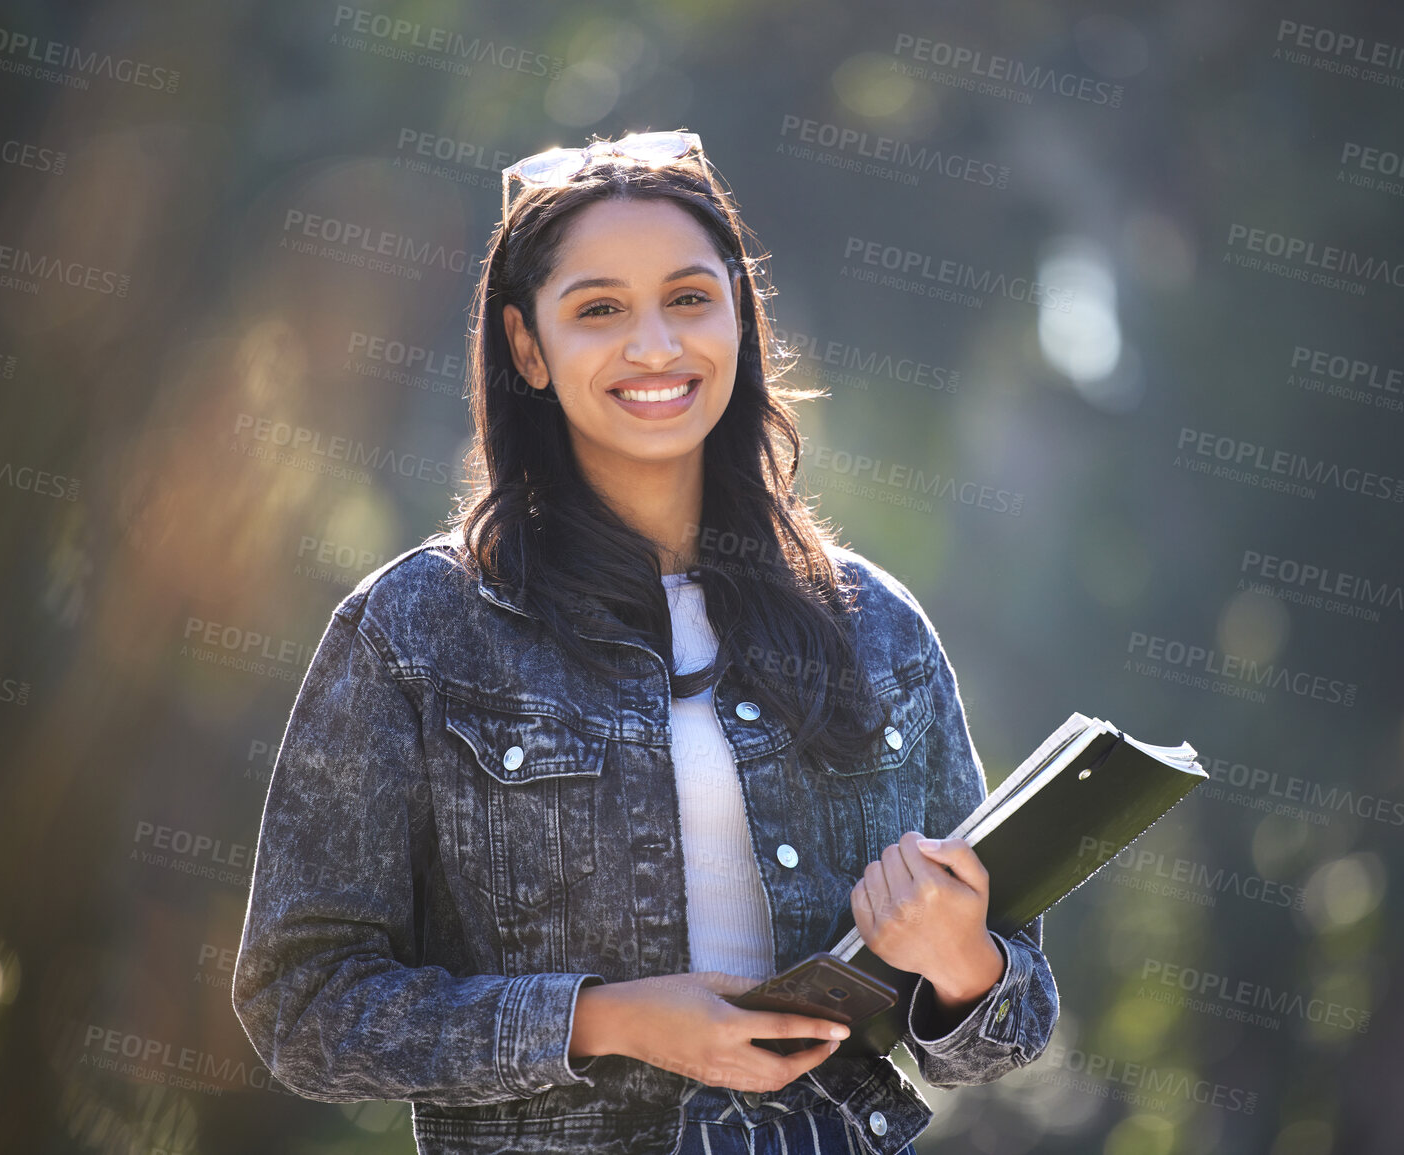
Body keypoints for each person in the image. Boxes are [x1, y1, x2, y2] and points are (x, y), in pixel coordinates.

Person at [232, 128, 1059, 1155]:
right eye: (599, 311)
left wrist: (963, 961)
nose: (657, 347)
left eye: (689, 299)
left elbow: (1004, 1032)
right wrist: (606, 1021)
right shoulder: (416, 632)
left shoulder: (874, 628)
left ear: (741, 319)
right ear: (527, 347)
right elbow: (301, 1008)